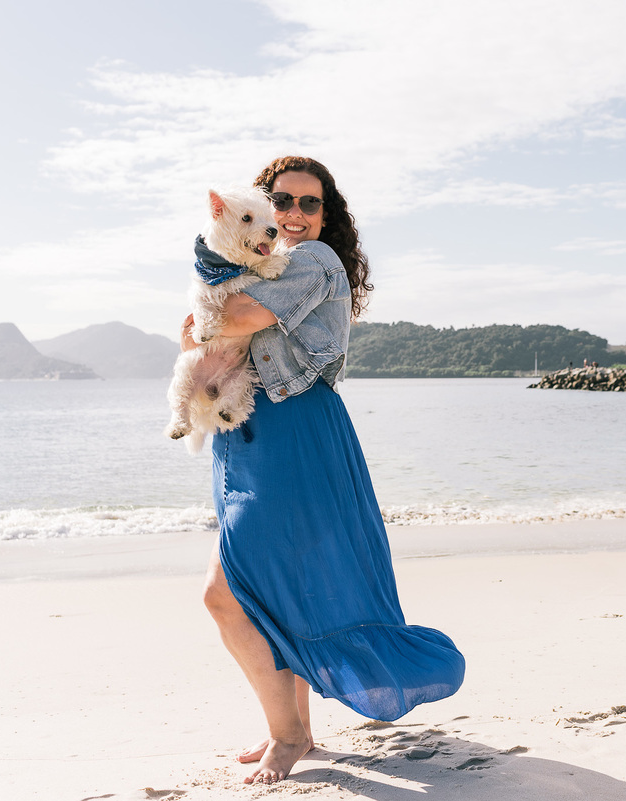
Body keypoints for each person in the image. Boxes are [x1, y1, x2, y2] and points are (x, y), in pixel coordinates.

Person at [180, 156, 465, 785]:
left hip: (295, 433)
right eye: (282, 202)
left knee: (224, 596)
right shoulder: (260, 268)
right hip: (245, 437)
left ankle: (288, 735)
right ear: (263, 208)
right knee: (260, 594)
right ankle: (295, 730)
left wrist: (206, 320)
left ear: (327, 215)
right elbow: (203, 338)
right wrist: (206, 325)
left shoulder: (315, 262)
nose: (296, 215)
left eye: (311, 204)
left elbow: (227, 323)